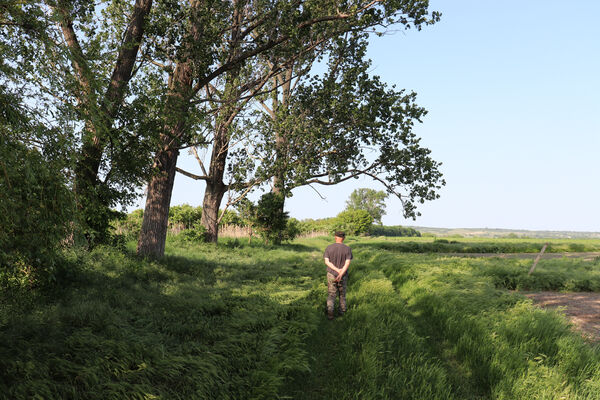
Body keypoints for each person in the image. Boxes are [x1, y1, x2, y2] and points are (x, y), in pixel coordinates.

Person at [323, 231, 353, 320]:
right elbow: (347, 263)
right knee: (342, 294)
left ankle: (330, 313)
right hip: (343, 275)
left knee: (331, 294)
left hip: (331, 274)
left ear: (335, 237)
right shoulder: (347, 249)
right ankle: (342, 313)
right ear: (344, 238)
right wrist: (341, 273)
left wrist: (336, 270)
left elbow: (326, 262)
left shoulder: (329, 248)